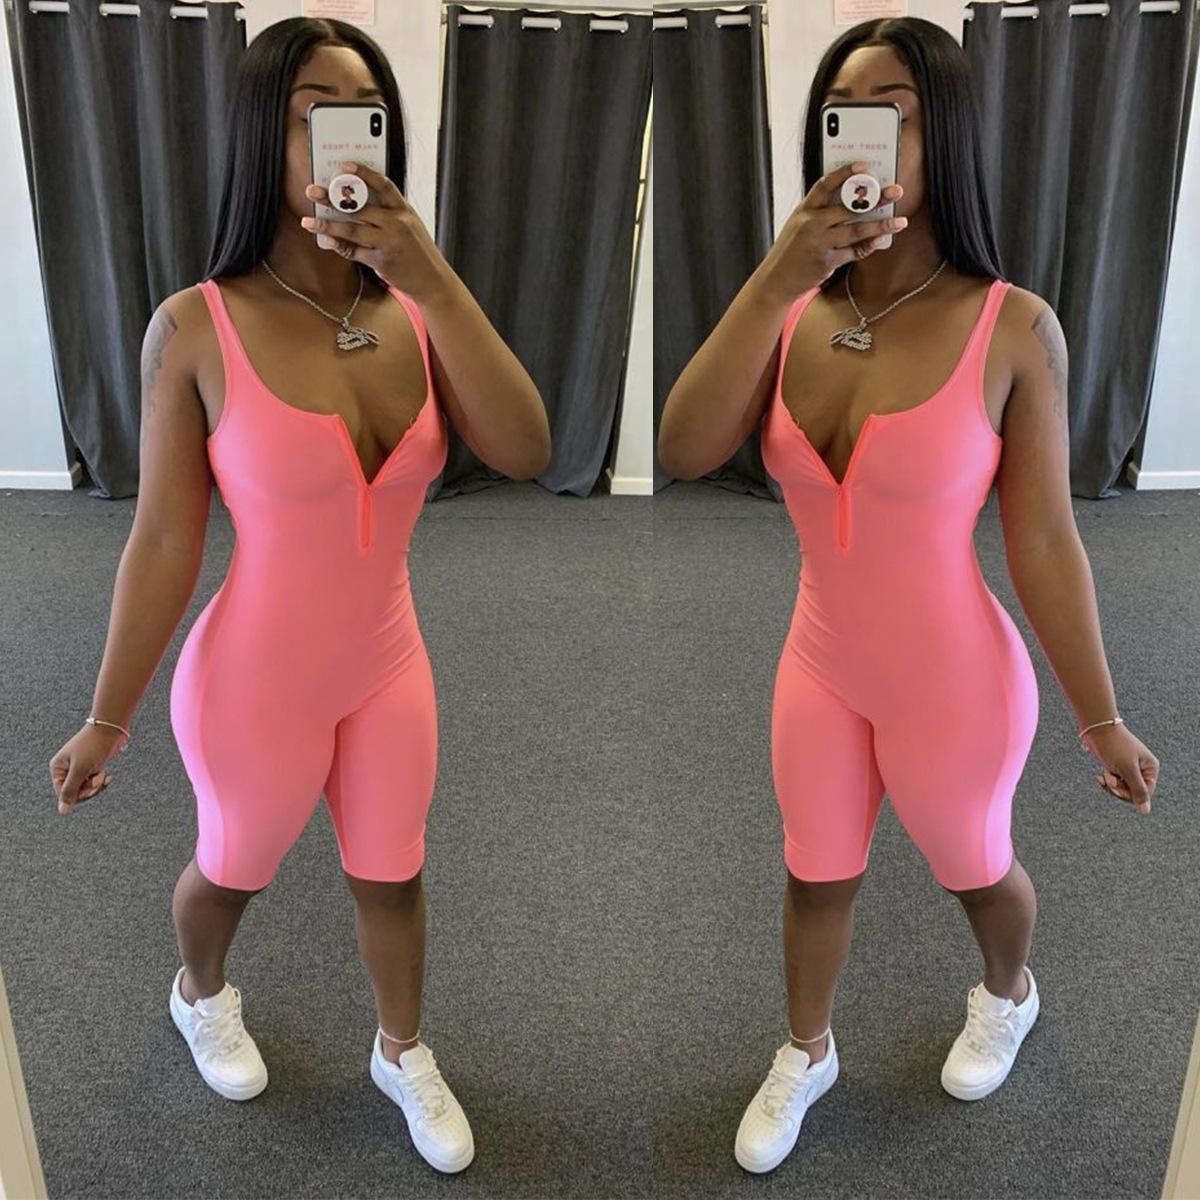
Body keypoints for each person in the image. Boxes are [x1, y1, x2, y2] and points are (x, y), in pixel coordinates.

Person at [657, 16, 1160, 1175]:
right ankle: (807, 1050)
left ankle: (1008, 994)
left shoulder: (1013, 325)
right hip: (819, 665)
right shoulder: (791, 311)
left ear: (947, 134)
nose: (865, 139)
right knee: (814, 873)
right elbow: (684, 447)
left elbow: (1045, 539)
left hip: (955, 681)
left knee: (977, 872)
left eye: (895, 113)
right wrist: (779, 275)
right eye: (845, 114)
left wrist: (1101, 716)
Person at [47, 17, 550, 1176]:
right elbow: (163, 538)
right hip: (253, 681)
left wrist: (429, 275)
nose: (342, 138)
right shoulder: (195, 325)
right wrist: (108, 715)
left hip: (389, 665)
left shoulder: (417, 312)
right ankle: (200, 993)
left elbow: (528, 448)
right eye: (312, 112)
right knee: (231, 872)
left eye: (361, 114)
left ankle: (401, 1051)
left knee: (394, 873)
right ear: (261, 135)